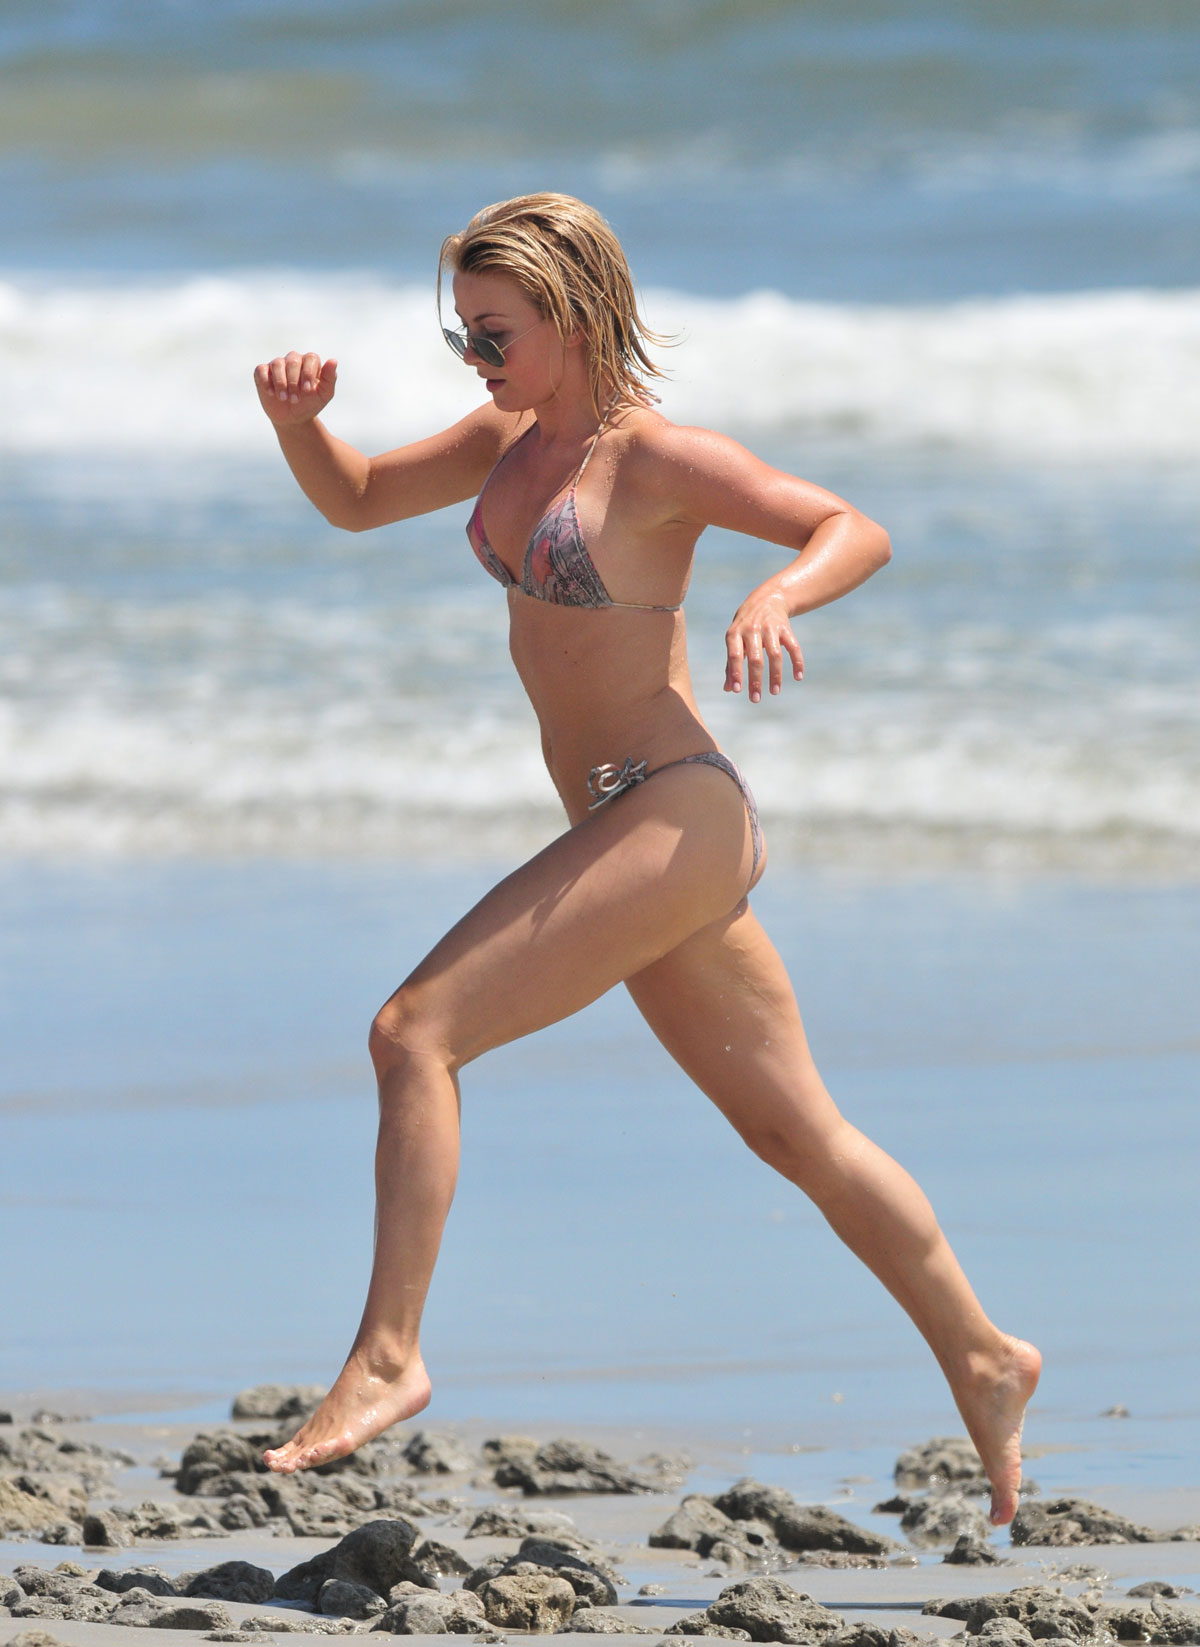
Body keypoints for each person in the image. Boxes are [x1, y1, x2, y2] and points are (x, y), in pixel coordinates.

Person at [251, 193, 1039, 1525]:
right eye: (461, 335)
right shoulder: (506, 440)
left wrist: (778, 590)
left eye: (493, 333)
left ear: (569, 315)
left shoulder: (659, 459)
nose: (475, 358)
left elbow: (851, 526)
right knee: (796, 1131)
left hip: (673, 813)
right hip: (623, 826)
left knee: (413, 1033)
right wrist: (297, 425)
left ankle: (389, 1356)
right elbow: (358, 498)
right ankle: (985, 1354)